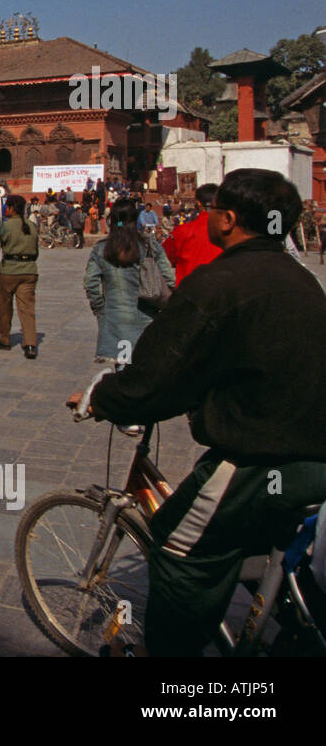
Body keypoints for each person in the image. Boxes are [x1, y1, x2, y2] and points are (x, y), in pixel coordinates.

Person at [73, 169, 326, 657]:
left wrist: (102, 399)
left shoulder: (219, 284)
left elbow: (158, 379)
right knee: (251, 546)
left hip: (258, 460)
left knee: (175, 544)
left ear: (227, 219)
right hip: (315, 456)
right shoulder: (304, 281)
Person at [83, 198, 175, 364]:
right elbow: (169, 278)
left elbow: (91, 283)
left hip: (114, 317)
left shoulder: (101, 248)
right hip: (146, 317)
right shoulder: (150, 245)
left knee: (121, 371)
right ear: (135, 218)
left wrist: (100, 309)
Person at [0, 194, 39, 358]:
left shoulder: (5, 227)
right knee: (27, 310)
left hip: (9, 271)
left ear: (10, 208)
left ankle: (5, 340)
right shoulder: (32, 226)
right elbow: (36, 251)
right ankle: (30, 344)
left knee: (5, 308)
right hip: (29, 271)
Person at [162, 183, 222, 286]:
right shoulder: (229, 230)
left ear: (198, 203)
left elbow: (164, 258)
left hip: (188, 290)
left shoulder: (183, 230)